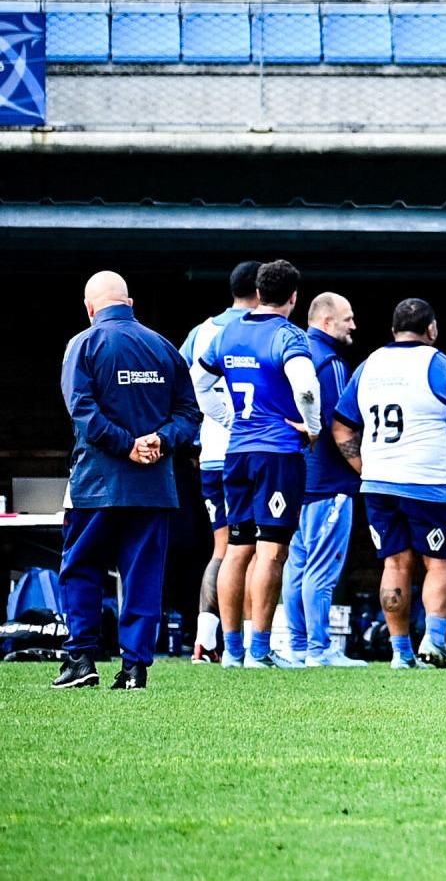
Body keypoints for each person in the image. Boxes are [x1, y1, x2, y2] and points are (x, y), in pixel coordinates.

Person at [55, 271, 201, 690]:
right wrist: (159, 439)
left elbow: (82, 411)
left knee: (82, 568)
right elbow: (189, 415)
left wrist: (126, 445)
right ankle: (135, 669)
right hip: (154, 487)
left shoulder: (83, 344)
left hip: (96, 485)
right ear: (130, 303)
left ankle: (81, 660)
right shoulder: (164, 347)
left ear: (89, 308)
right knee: (142, 576)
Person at [335, 298, 446, 669]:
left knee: (395, 564)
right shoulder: (439, 364)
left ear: (393, 330)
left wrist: (363, 466)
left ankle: (400, 652)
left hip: (378, 482)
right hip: (427, 481)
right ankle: (435, 641)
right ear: (432, 329)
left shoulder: (368, 365)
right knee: (439, 563)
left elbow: (342, 424)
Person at [213, 259, 318, 668]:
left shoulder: (229, 330)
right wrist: (312, 427)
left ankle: (231, 651)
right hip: (277, 453)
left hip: (237, 451)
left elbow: (200, 379)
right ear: (293, 297)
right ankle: (259, 650)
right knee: (271, 552)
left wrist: (230, 417)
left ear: (258, 292)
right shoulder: (289, 335)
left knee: (237, 548)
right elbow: (306, 387)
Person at [180, 261, 256, 661]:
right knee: (257, 550)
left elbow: (183, 391)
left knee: (222, 548)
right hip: (253, 451)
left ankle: (206, 640)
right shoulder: (266, 330)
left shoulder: (200, 333)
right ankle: (251, 643)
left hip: (212, 454)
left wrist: (197, 437)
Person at [284, 290, 358, 667]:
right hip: (330, 480)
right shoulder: (330, 362)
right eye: (348, 319)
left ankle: (296, 646)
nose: (353, 326)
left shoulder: (292, 354)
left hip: (296, 480)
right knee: (320, 567)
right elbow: (341, 424)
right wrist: (363, 468)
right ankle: (319, 650)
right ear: (327, 322)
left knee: (296, 563)